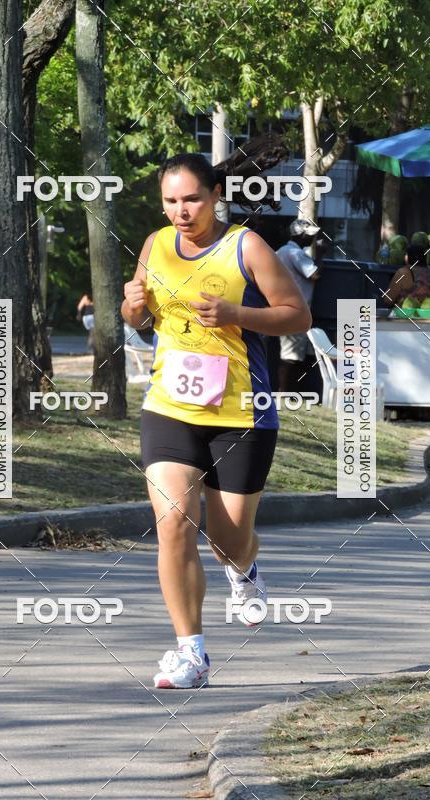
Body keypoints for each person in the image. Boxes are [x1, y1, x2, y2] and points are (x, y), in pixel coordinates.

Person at [121, 153, 311, 689]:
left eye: (193, 199)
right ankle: (191, 653)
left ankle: (244, 570)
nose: (182, 211)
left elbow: (297, 314)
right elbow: (138, 318)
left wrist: (236, 315)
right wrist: (132, 307)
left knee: (227, 540)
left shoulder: (246, 246)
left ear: (216, 195)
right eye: (171, 201)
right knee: (174, 522)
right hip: (170, 407)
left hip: (241, 412)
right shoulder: (156, 245)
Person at [275, 220, 325, 392]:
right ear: (300, 235)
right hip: (295, 312)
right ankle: (286, 394)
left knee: (296, 354)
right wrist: (320, 254)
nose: (311, 238)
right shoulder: (296, 253)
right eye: (309, 235)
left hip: (285, 309)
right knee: (292, 356)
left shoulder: (282, 251)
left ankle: (290, 392)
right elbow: (315, 274)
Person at [384, 243, 430, 308]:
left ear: (408, 257)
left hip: (406, 315)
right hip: (428, 314)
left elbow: (388, 299)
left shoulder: (402, 273)